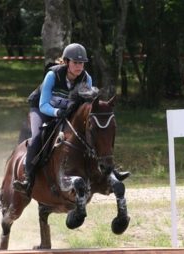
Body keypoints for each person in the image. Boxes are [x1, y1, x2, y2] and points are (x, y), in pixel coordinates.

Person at [13, 43, 128, 194]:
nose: (79, 66)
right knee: (36, 138)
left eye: (81, 63)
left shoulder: (86, 78)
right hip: (42, 110)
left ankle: (108, 171)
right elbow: (43, 104)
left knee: (91, 135)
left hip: (66, 111)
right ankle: (27, 179)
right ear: (66, 62)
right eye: (75, 62)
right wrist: (57, 112)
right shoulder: (53, 75)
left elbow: (86, 106)